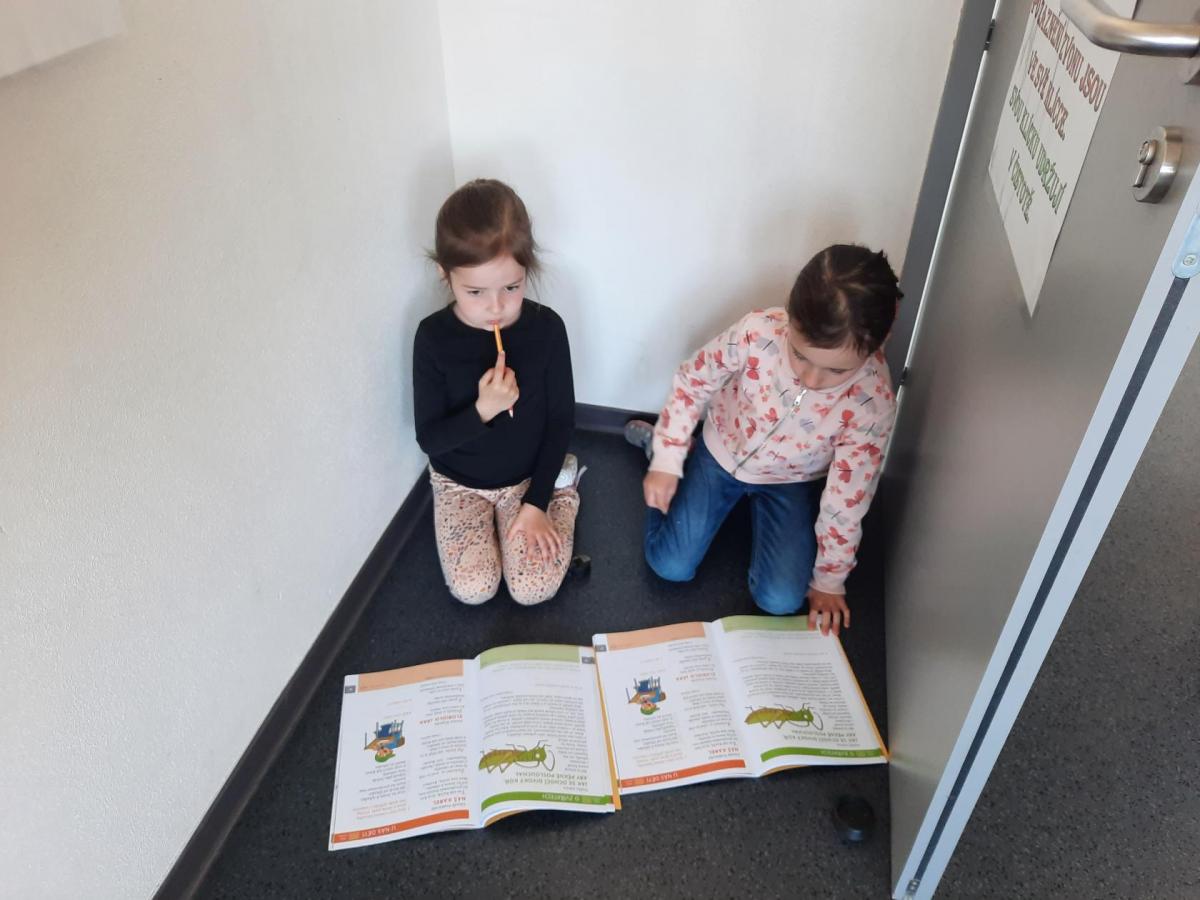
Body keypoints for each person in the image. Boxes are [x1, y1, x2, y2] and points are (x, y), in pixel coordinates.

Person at [626, 244, 901, 635]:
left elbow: (848, 498)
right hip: (719, 452)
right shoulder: (758, 332)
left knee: (781, 600)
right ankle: (658, 446)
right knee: (670, 565)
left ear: (881, 339)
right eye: (800, 356)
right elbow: (693, 381)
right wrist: (667, 460)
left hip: (790, 481)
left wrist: (829, 580)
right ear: (790, 317)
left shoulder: (872, 401)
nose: (811, 380)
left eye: (836, 371)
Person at [413, 179, 582, 606]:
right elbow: (430, 439)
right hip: (458, 483)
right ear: (445, 273)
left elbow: (561, 419)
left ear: (527, 269)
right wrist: (483, 410)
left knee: (532, 589)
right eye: (475, 292)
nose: (496, 306)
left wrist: (537, 502)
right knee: (474, 589)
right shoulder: (432, 338)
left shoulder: (547, 329)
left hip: (527, 477)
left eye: (512, 287)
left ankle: (564, 488)